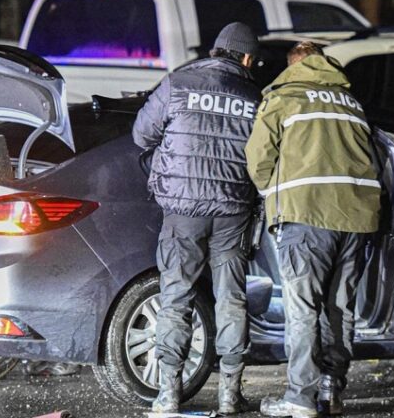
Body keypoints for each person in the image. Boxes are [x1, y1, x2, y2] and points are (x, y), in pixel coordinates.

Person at [246, 41, 381, 418]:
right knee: (340, 308)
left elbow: (258, 159)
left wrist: (272, 195)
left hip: (305, 216)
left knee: (303, 308)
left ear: (292, 66)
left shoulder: (284, 97)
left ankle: (300, 396)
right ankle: (331, 391)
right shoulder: (350, 102)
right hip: (357, 219)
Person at [132, 22, 262, 415]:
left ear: (214, 51)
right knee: (232, 301)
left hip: (182, 211)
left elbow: (141, 135)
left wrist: (166, 170)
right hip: (233, 211)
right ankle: (229, 395)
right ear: (245, 58)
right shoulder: (254, 97)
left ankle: (168, 394)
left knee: (175, 300)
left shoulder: (178, 83)